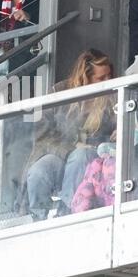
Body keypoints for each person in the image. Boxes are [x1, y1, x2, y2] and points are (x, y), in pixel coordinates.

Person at [18, 49, 116, 221]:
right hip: (60, 153)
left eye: (109, 76)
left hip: (96, 157)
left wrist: (120, 130)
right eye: (101, 78)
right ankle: (37, 218)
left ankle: (67, 211)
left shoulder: (114, 95)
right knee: (39, 171)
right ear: (85, 77)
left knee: (81, 156)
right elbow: (42, 136)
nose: (107, 81)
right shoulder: (60, 91)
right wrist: (70, 148)